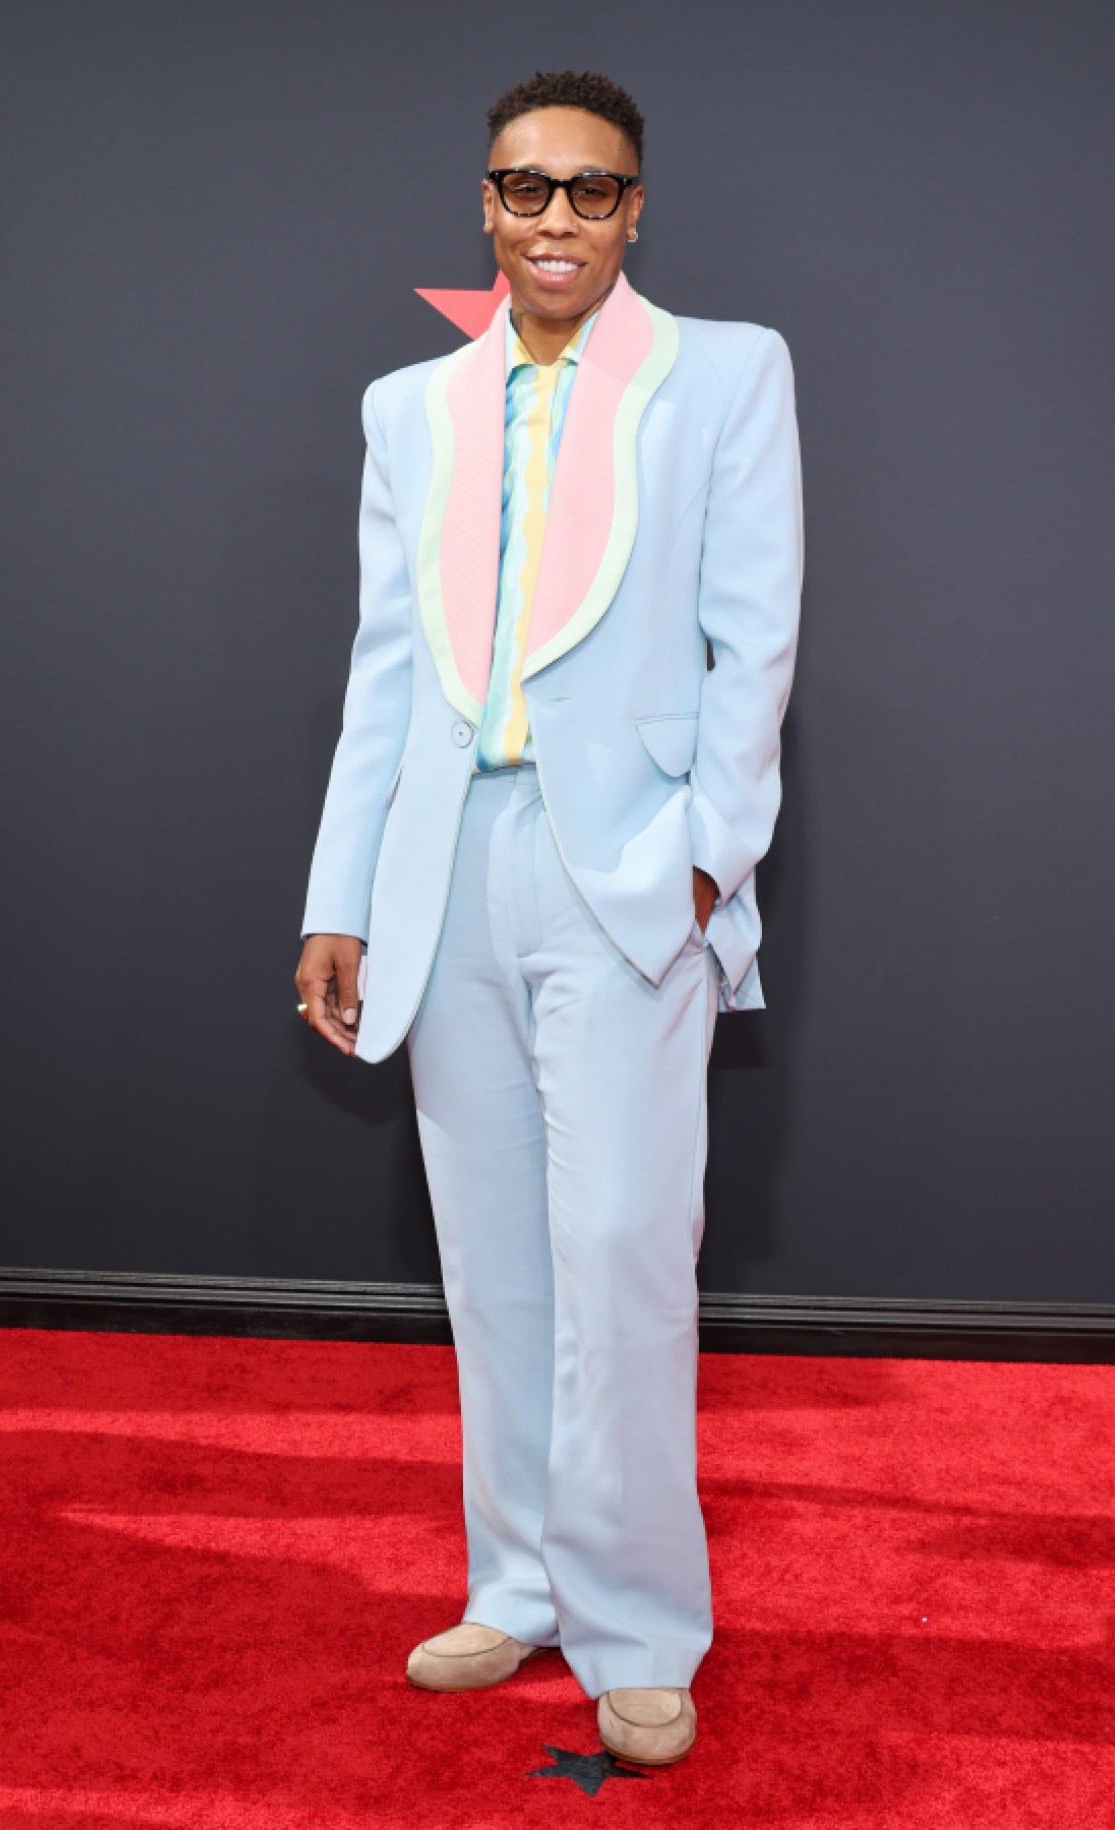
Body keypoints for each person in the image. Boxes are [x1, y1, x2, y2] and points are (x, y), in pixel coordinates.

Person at [295, 67, 804, 1766]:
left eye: (592, 191)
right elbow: (384, 672)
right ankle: (515, 1583)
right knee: (494, 1264)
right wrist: (344, 892)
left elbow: (758, 646)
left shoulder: (723, 373)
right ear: (487, 205)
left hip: (624, 871)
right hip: (450, 865)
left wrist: (703, 861)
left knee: (623, 1260)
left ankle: (641, 1622)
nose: (557, 218)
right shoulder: (410, 407)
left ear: (637, 207)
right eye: (528, 188)